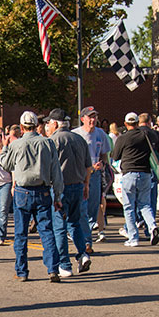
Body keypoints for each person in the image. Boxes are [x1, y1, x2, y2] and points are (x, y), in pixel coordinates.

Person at [0, 111, 63, 283]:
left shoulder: (16, 145)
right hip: (43, 190)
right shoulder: (47, 143)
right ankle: (52, 268)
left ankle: (22, 271)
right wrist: (58, 195)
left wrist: (6, 146)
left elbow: (6, 164)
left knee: (21, 233)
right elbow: (56, 171)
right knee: (46, 232)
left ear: (21, 128)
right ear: (37, 126)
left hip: (22, 191)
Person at [44, 108, 93, 276]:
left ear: (56, 123)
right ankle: (82, 253)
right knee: (75, 222)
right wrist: (86, 184)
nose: (48, 125)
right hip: (78, 185)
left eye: (49, 122)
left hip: (60, 188)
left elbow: (48, 168)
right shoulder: (79, 139)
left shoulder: (53, 141)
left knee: (59, 226)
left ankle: (64, 264)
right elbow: (89, 166)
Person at [112, 113, 159, 247]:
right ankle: (152, 225)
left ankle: (133, 237)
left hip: (129, 174)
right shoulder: (147, 135)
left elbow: (115, 156)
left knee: (129, 207)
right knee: (145, 204)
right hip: (145, 173)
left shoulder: (123, 138)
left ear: (126, 124)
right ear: (138, 123)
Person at [73, 106, 109, 253]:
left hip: (94, 176)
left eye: (95, 117)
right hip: (80, 175)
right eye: (90, 117)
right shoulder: (76, 135)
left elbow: (104, 155)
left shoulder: (100, 134)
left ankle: (86, 240)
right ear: (83, 119)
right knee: (82, 208)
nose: (93, 120)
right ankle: (86, 242)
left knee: (93, 208)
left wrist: (103, 164)